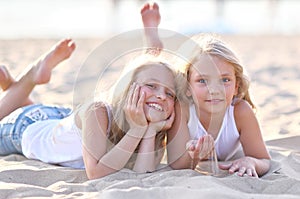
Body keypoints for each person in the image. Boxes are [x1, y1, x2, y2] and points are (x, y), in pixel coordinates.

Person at [0, 2, 186, 180]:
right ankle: (32, 75)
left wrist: (149, 130)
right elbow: (95, 173)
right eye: (152, 86)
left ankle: (12, 87)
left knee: (151, 73)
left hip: (62, 122)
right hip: (25, 127)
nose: (162, 95)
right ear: (128, 87)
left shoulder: (155, 126)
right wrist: (137, 130)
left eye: (170, 94)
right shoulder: (97, 110)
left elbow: (143, 173)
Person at [166, 33, 271, 177]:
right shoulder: (183, 110)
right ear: (187, 87)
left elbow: (263, 159)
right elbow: (176, 163)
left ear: (236, 86)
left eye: (225, 80)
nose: (214, 90)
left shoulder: (240, 112)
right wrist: (194, 156)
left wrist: (250, 162)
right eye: (203, 81)